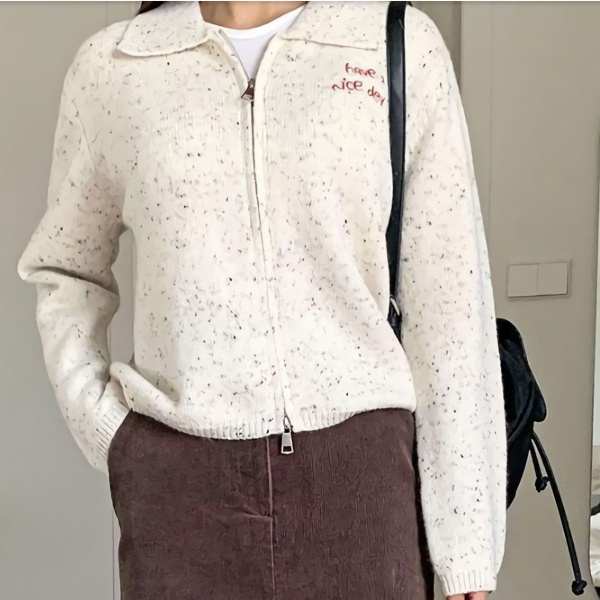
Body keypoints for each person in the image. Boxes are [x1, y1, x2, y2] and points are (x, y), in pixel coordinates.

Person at [18, 2, 506, 599]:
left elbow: (450, 304)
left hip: (363, 485)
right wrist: (107, 429)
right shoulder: (115, 67)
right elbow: (65, 266)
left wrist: (466, 547)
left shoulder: (390, 42)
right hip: (181, 495)